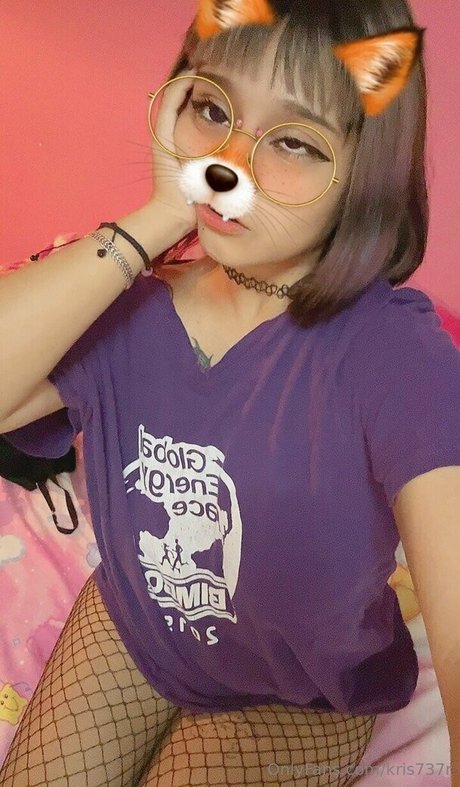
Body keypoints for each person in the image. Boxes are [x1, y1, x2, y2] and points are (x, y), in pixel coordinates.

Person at [1, 1, 460, 785]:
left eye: (294, 141)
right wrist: (157, 218)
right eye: (212, 110)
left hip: (302, 689)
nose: (228, 161)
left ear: (365, 168)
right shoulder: (127, 302)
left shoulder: (394, 352)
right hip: (135, 626)